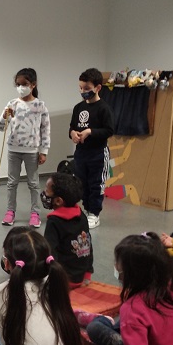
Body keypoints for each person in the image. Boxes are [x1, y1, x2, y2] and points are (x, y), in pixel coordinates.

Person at [0, 67, 50, 228]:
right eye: (18, 84)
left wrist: (43, 151)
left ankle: (35, 213)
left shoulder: (40, 106)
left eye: (24, 84)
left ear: (33, 84)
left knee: (33, 183)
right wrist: (4, 116)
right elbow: (1, 127)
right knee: (12, 183)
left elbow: (45, 129)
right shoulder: (12, 104)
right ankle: (10, 211)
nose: (21, 87)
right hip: (13, 150)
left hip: (31, 151)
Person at [69, 67, 114, 230]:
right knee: (81, 184)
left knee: (96, 184)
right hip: (81, 153)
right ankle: (86, 209)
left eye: (87, 88)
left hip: (98, 154)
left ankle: (94, 213)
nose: (83, 91)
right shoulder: (78, 108)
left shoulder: (104, 108)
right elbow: (72, 128)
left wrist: (90, 132)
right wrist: (73, 133)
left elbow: (109, 130)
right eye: (80, 88)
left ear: (98, 87)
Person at [41, 172, 93, 289]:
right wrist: (88, 273)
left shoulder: (54, 221)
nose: (44, 193)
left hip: (62, 280)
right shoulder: (82, 215)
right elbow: (88, 245)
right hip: (81, 278)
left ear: (58, 201)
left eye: (47, 191)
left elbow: (49, 252)